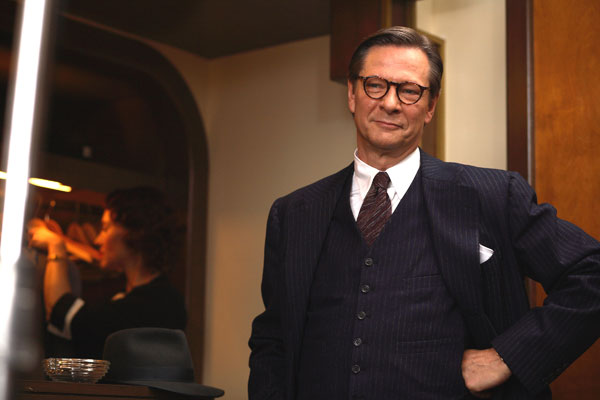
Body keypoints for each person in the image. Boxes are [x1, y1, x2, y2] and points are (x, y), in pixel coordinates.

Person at [248, 26, 600, 399]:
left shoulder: (494, 195)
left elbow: (592, 273)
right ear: (352, 93)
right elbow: (274, 339)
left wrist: (508, 357)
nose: (390, 103)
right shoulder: (294, 213)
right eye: (375, 85)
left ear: (430, 106)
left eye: (409, 90)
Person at [29, 186, 187, 359]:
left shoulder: (154, 304)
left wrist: (56, 246)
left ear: (133, 234)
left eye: (105, 228)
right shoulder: (155, 297)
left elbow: (65, 316)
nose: (98, 240)